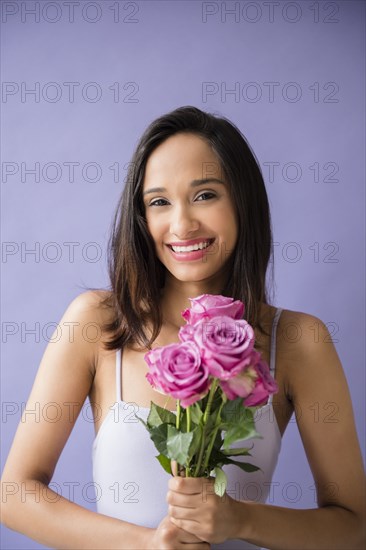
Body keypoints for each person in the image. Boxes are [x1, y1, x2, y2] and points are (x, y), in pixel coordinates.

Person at [1, 106, 364, 550]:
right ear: (141, 217)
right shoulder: (96, 323)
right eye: (159, 202)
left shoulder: (299, 341)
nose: (182, 225)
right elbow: (15, 494)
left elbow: (355, 527)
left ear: (243, 202)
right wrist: (145, 545)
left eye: (205, 195)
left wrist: (240, 520)